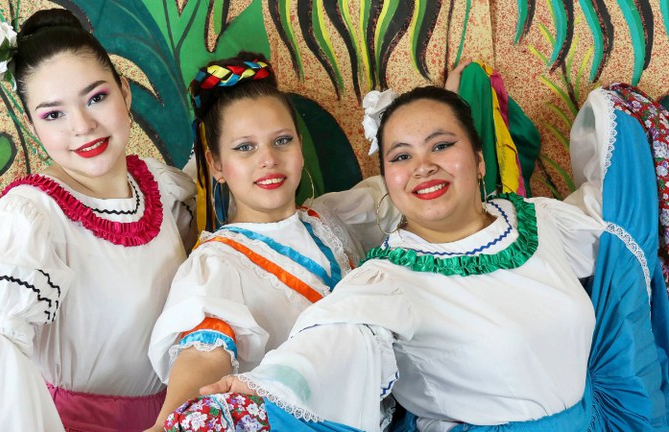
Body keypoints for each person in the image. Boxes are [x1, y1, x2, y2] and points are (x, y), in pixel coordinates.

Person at [193, 85, 669, 431]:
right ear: (388, 180)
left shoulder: (540, 221)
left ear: (479, 160)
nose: (423, 166)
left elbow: (614, 227)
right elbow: (323, 348)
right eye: (401, 156)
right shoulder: (385, 284)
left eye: (442, 145)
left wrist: (626, 118)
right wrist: (256, 395)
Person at [0, 9, 196, 432]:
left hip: (175, 419)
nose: (83, 126)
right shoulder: (30, 219)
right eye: (53, 114)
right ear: (34, 125)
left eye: (96, 97)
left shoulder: (162, 187)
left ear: (125, 94)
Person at [145, 53, 396, 430]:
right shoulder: (218, 264)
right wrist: (169, 421)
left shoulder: (331, 218)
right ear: (215, 165)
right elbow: (203, 357)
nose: (268, 160)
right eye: (244, 147)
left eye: (281, 140)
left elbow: (409, 193)